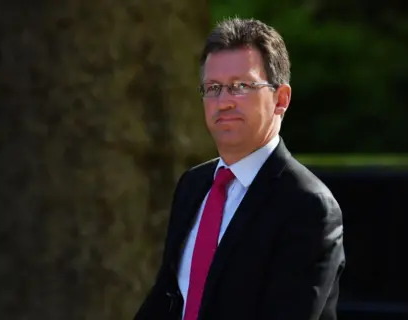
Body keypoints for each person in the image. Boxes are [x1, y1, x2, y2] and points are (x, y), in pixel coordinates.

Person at [134, 18, 345, 320]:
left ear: (281, 99)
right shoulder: (194, 185)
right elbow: (168, 298)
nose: (223, 102)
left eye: (241, 86)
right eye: (213, 88)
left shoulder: (308, 206)